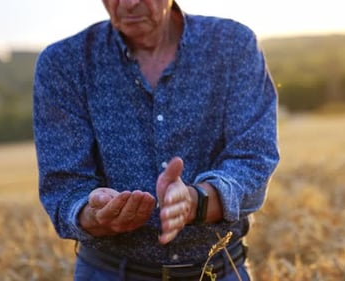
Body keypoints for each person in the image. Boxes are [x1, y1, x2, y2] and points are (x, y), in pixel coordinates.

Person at [33, 0, 279, 280]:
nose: (128, 3)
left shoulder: (232, 44)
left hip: (220, 270)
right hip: (109, 272)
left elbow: (254, 157)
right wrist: (94, 213)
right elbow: (64, 187)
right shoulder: (63, 63)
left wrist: (196, 201)